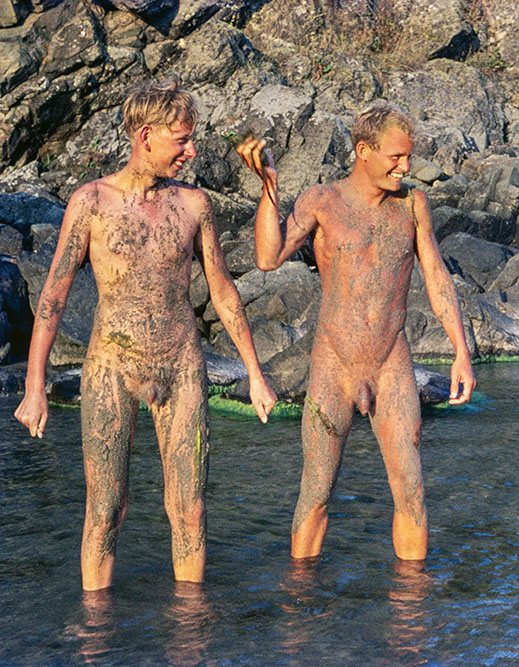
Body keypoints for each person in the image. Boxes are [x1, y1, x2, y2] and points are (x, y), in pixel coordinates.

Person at [15, 78, 277, 591]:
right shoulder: (91, 202)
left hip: (182, 366)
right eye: (182, 140)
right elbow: (53, 296)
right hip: (113, 366)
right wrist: (33, 386)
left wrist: (255, 372)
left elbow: (222, 292)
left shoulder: (195, 205)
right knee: (105, 509)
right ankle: (96, 633)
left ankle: (189, 631)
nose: (191, 150)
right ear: (146, 135)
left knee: (191, 509)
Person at [237, 103, 475, 562]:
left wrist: (461, 351)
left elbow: (437, 276)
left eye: (409, 157)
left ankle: (411, 614)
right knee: (317, 488)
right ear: (363, 151)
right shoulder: (322, 201)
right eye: (396, 157)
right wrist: (269, 190)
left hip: (392, 364)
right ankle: (299, 604)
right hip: (333, 365)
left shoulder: (413, 205)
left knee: (411, 489)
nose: (406, 168)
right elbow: (268, 257)